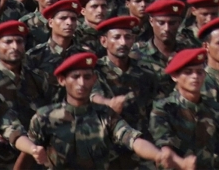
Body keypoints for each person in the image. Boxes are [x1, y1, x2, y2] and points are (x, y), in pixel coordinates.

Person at [27, 52, 191, 169]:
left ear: (94, 80)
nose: (82, 83)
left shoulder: (105, 114)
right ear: (62, 80)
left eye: (87, 77)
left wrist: (158, 155)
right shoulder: (44, 117)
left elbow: (132, 139)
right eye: (75, 77)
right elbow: (28, 153)